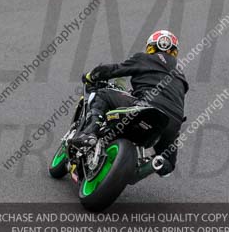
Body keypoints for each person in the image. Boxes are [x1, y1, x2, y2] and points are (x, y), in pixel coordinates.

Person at [73, 30, 188, 176]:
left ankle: (89, 133)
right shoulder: (181, 77)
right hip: (172, 122)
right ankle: (151, 165)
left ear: (151, 47)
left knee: (102, 94)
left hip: (147, 107)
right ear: (174, 52)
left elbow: (114, 70)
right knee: (167, 165)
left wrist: (91, 76)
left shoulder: (145, 58)